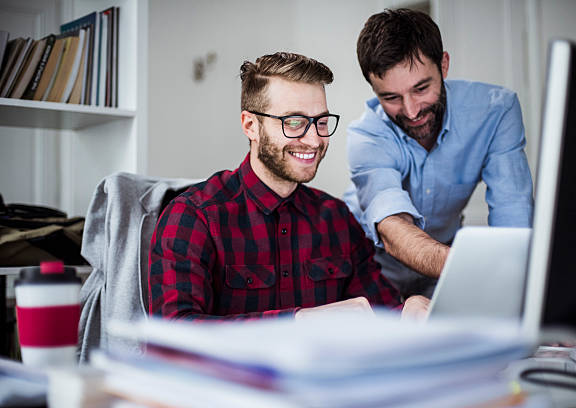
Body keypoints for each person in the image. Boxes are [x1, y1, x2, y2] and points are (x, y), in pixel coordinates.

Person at [148, 52, 429, 321]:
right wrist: (297, 321)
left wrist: (406, 311)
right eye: (294, 122)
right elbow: (172, 335)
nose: (314, 140)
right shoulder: (194, 216)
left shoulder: (337, 219)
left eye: (321, 122)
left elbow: (379, 314)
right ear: (250, 125)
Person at [343, 9, 534, 299]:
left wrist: (524, 293)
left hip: (444, 259)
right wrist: (477, 268)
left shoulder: (496, 112)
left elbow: (513, 220)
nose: (411, 111)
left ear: (443, 65)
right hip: (371, 265)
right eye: (391, 97)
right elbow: (394, 228)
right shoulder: (366, 135)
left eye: (421, 88)